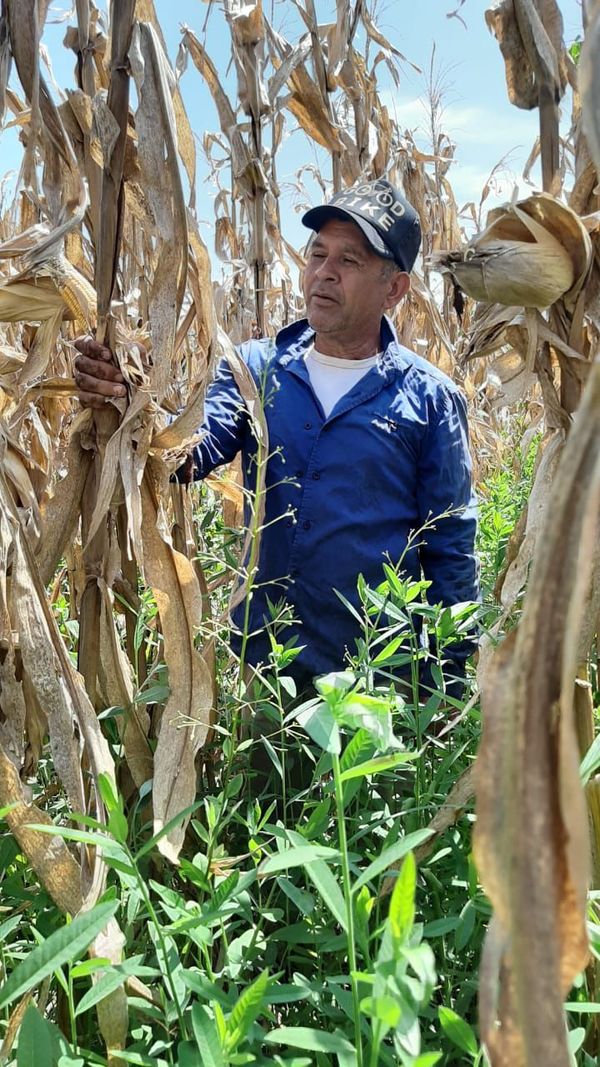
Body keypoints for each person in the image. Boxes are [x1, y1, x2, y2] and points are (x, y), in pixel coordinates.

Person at [75, 178, 479, 700]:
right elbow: (187, 454)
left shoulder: (428, 399)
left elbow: (451, 548)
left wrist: (445, 685)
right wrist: (127, 402)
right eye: (317, 253)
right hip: (269, 669)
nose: (324, 273)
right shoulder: (255, 371)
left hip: (377, 680)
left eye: (349, 261)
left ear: (394, 289)